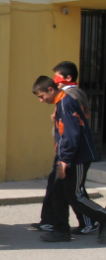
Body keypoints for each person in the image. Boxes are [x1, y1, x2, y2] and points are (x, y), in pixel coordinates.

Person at [32, 75, 106, 243]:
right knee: (58, 192)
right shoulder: (61, 104)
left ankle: (103, 218)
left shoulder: (66, 103)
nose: (41, 101)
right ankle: (61, 230)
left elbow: (72, 135)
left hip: (77, 157)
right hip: (66, 155)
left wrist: (64, 160)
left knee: (75, 195)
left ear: (51, 89)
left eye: (42, 96)